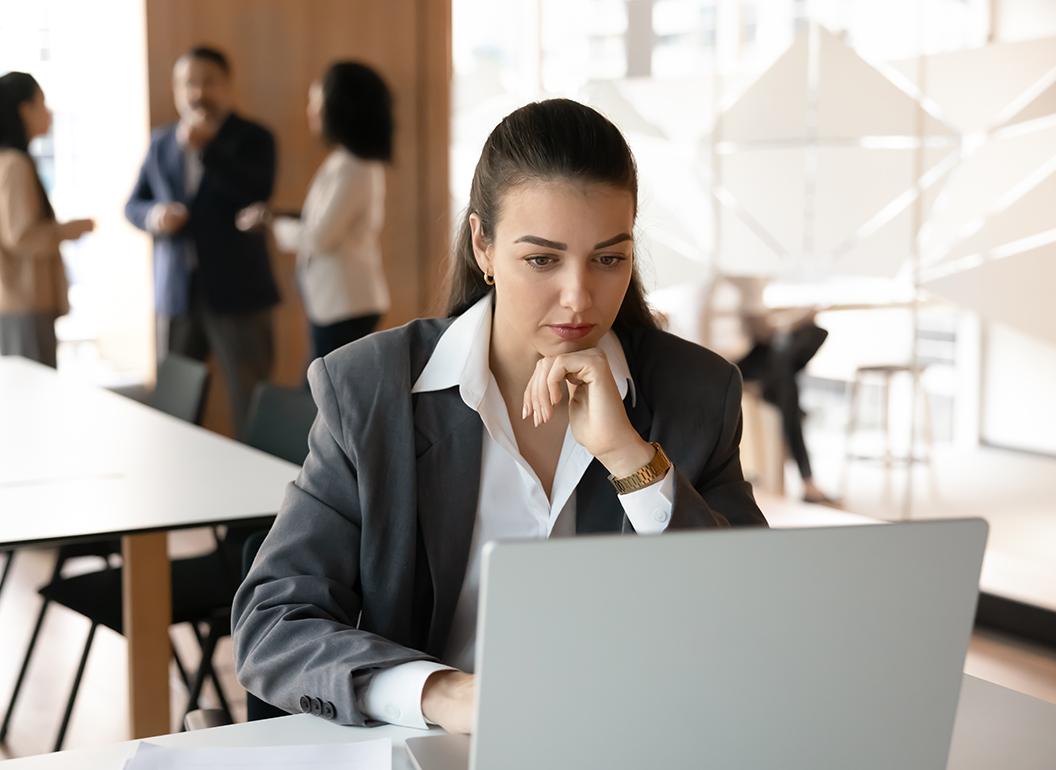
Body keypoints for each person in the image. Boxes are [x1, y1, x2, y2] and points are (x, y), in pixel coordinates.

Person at [232, 99, 766, 736]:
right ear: (483, 243)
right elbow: (274, 623)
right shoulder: (370, 390)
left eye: (609, 258)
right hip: (435, 748)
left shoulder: (695, 394)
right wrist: (444, 693)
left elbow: (750, 621)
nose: (579, 296)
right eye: (542, 259)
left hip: (627, 741)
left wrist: (631, 458)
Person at [124, 46, 279, 434]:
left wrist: (207, 149)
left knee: (250, 399)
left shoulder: (253, 137)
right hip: (177, 292)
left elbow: (255, 190)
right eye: (188, 83)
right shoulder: (161, 142)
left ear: (227, 85)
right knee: (174, 406)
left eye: (208, 81)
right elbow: (133, 205)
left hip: (238, 292)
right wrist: (155, 216)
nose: (198, 92)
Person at [237, 61, 392, 360]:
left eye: (316, 102)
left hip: (346, 304)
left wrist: (270, 222)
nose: (310, 110)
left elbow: (320, 236)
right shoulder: (345, 162)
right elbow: (319, 220)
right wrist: (277, 216)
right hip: (335, 303)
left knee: (324, 393)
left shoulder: (355, 168)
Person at [0, 72, 94, 367]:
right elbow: (20, 236)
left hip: (20, 302)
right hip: (24, 300)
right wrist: (71, 229)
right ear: (23, 109)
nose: (48, 112)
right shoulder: (15, 163)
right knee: (32, 394)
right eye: (41, 103)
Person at [727, 277, 837, 506]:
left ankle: (776, 390)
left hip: (758, 357)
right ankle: (808, 482)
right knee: (788, 385)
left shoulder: (745, 282)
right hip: (740, 361)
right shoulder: (746, 281)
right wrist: (799, 317)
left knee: (815, 334)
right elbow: (763, 332)